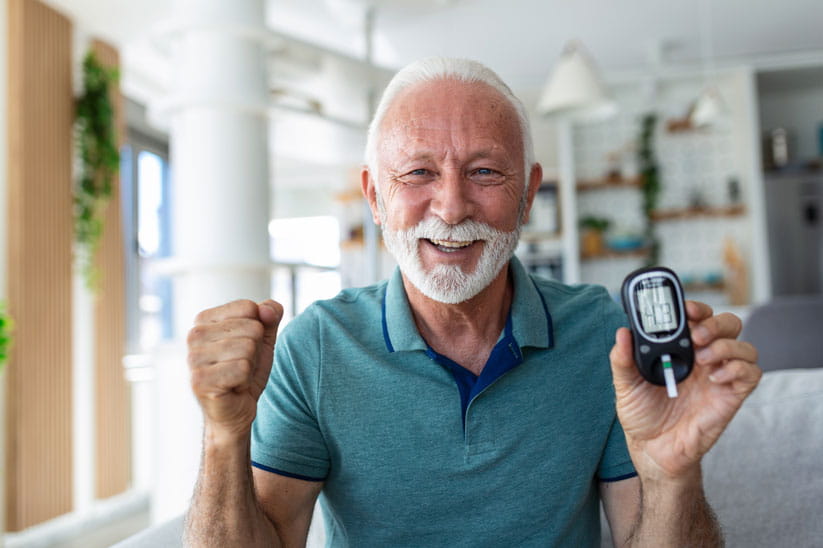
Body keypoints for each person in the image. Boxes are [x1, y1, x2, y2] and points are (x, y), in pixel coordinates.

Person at [184, 57, 761, 547]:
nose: (452, 207)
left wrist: (671, 477)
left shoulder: (605, 337)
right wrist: (224, 434)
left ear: (528, 194)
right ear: (375, 197)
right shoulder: (315, 346)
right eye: (417, 173)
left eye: (485, 171)